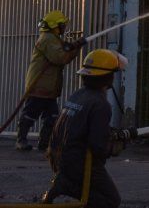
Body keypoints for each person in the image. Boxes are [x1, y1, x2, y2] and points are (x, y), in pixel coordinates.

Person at [43, 49, 136, 207]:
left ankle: (66, 183)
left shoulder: (79, 95)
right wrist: (119, 142)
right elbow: (98, 147)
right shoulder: (100, 104)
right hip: (79, 164)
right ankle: (67, 185)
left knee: (94, 195)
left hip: (58, 158)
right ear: (108, 78)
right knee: (110, 200)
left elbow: (82, 126)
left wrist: (114, 133)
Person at [16, 10, 86, 151]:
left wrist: (75, 46)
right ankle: (21, 140)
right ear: (56, 26)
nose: (64, 27)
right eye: (62, 25)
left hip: (48, 87)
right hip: (40, 85)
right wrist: (75, 46)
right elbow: (59, 58)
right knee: (30, 114)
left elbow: (64, 54)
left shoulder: (53, 39)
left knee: (52, 117)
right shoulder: (47, 39)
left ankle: (45, 143)